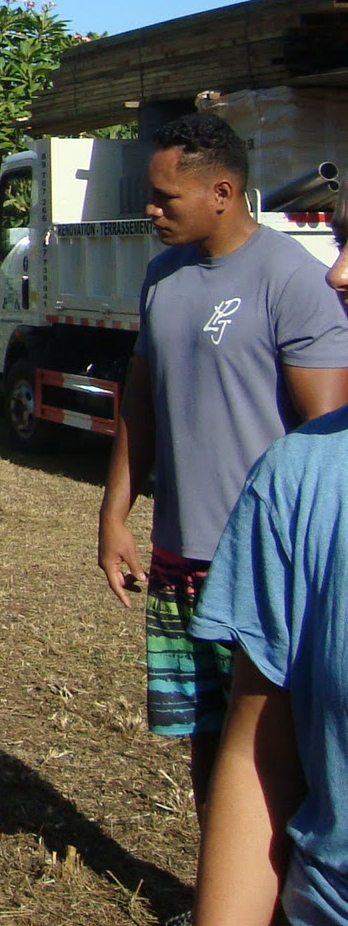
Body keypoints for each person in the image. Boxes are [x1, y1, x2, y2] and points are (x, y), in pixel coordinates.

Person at [97, 113, 348, 812]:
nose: (151, 211)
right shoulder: (162, 276)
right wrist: (114, 514)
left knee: (275, 749)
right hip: (180, 559)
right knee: (206, 741)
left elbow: (329, 441)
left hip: (263, 567)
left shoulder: (293, 282)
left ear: (223, 192)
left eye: (165, 199)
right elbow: (141, 402)